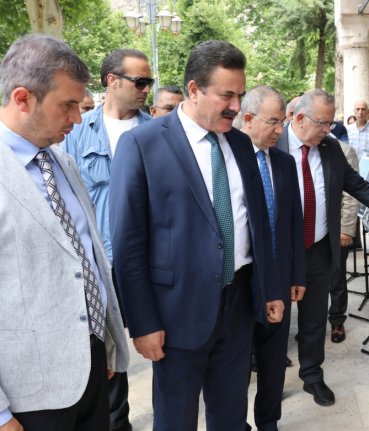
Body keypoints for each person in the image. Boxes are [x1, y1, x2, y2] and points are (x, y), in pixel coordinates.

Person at [110, 40, 282, 431]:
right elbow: (128, 244)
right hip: (175, 314)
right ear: (193, 90)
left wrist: (270, 288)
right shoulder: (142, 144)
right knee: (175, 419)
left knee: (230, 414)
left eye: (239, 94)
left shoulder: (240, 143)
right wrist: (142, 322)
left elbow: (256, 223)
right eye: (226, 95)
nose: (236, 106)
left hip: (237, 306)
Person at [0, 33, 129, 431]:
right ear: (23, 98)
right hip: (28, 397)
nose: (78, 117)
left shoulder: (63, 162)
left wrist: (105, 343)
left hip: (91, 373)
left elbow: (86, 257)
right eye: (67, 105)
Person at [276, 89, 369, 407]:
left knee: (315, 317)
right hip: (279, 252)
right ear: (298, 118)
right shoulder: (270, 144)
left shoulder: (330, 148)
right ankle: (272, 384)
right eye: (323, 123)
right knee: (277, 320)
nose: (328, 130)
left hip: (317, 248)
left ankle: (312, 376)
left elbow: (356, 184)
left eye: (331, 123)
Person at [63, 49, 153, 431]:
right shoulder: (77, 134)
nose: (146, 89)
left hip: (150, 263)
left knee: (159, 342)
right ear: (111, 81)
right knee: (109, 355)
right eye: (140, 81)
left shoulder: (158, 134)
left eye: (149, 81)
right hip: (100, 263)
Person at [240, 85, 306, 431]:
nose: (281, 131)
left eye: (283, 122)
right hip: (241, 280)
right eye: (274, 123)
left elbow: (293, 221)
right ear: (248, 119)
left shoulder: (283, 161)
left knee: (273, 359)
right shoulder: (230, 158)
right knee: (236, 362)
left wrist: (297, 275)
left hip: (280, 277)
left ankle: (268, 421)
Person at [328, 139, 359, 343]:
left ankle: (337, 320)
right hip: (303, 231)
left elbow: (350, 192)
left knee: (336, 277)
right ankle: (309, 323)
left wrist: (347, 228)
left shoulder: (344, 150)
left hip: (336, 228)